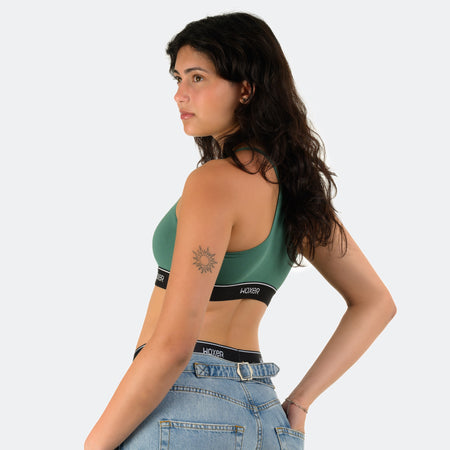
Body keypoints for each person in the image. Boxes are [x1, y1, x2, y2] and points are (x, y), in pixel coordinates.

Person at [85, 12, 396, 450]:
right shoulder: (296, 190)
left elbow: (173, 345)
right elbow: (376, 302)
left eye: (197, 77)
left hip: (187, 407)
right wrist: (300, 402)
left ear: (245, 89)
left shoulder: (213, 182)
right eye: (178, 78)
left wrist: (95, 445)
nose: (180, 94)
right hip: (266, 416)